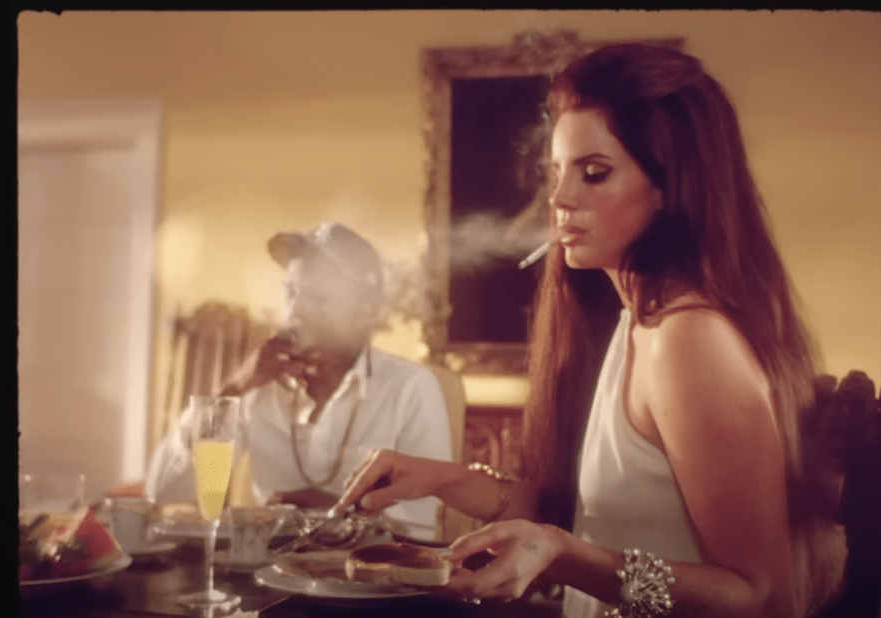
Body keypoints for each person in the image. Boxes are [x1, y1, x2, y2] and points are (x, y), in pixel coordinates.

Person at [335, 44, 845, 618]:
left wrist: (563, 556)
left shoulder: (689, 341)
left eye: (594, 173)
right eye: (556, 173)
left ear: (669, 186)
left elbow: (761, 598)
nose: (559, 199)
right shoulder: (632, 322)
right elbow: (584, 515)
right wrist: (439, 478)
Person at [114, 222, 453, 529]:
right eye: (291, 291)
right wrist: (232, 389)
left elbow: (423, 521)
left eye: (318, 296)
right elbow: (168, 491)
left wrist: (334, 510)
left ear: (364, 311)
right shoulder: (256, 388)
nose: (297, 308)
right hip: (263, 573)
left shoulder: (410, 388)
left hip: (366, 576)